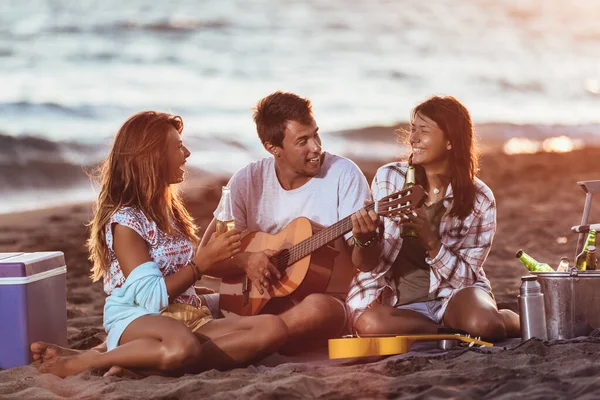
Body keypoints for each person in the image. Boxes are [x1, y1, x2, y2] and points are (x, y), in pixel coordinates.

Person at [30, 111, 287, 378]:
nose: (186, 153)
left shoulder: (170, 213)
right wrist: (201, 265)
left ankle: (142, 362)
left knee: (272, 328)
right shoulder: (126, 224)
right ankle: (86, 362)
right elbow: (151, 298)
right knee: (182, 346)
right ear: (152, 157)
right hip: (139, 318)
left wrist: (203, 281)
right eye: (177, 147)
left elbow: (175, 273)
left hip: (188, 315)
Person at [199, 91, 372, 350]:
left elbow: (366, 264)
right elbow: (206, 259)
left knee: (319, 309)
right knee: (187, 303)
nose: (316, 147)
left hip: (324, 299)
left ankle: (236, 342)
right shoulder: (247, 181)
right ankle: (245, 340)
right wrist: (245, 261)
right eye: (303, 140)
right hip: (255, 302)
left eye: (316, 134)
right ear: (273, 148)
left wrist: (367, 239)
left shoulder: (344, 174)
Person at [346, 95, 520, 340]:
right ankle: (449, 333)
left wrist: (433, 244)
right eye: (413, 129)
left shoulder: (480, 198)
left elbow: (466, 277)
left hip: (453, 296)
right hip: (397, 305)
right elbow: (366, 265)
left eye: (423, 131)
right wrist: (364, 239)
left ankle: (504, 317)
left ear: (450, 141)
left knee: (486, 326)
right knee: (370, 325)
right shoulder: (389, 179)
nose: (412, 138)